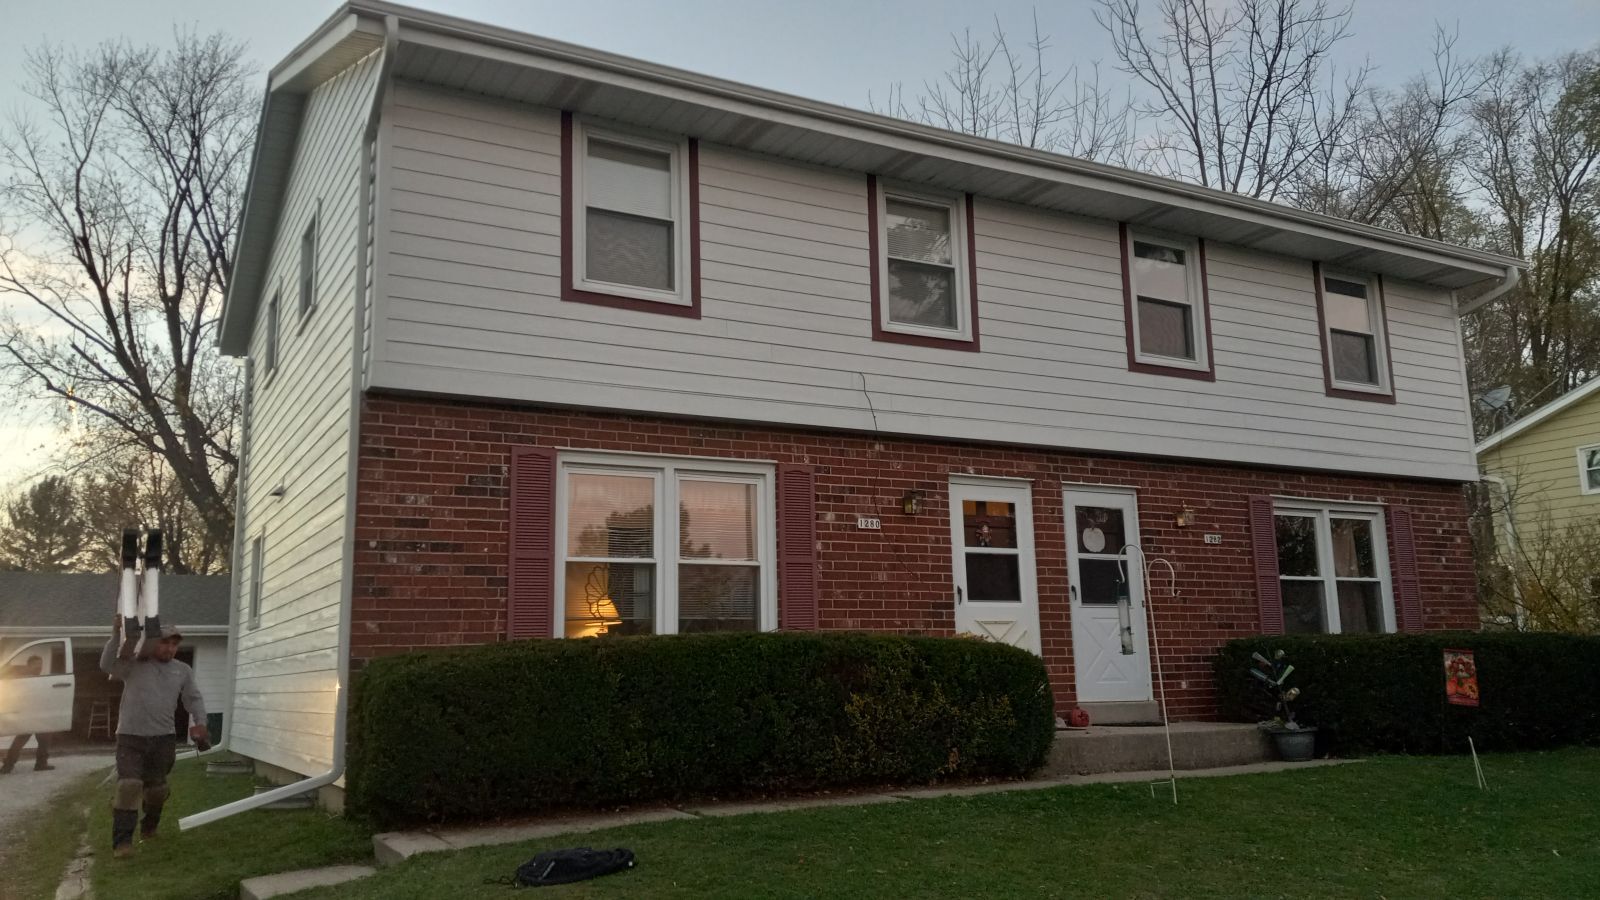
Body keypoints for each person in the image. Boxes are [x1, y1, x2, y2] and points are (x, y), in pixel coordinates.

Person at [100, 616, 208, 858]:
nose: (169, 648)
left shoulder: (183, 670)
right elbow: (107, 665)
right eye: (164, 643)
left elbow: (193, 698)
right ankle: (122, 844)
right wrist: (116, 633)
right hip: (130, 736)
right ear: (153, 642)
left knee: (156, 790)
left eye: (174, 644)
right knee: (129, 786)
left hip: (163, 739)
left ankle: (149, 828)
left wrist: (201, 723)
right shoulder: (134, 664)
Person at [0, 655, 55, 774]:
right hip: (29, 715)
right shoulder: (25, 679)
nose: (40, 667)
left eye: (41, 664)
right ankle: (8, 765)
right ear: (29, 665)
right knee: (21, 740)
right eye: (37, 664)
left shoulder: (39, 679)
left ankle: (40, 764)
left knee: (44, 740)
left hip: (39, 715)